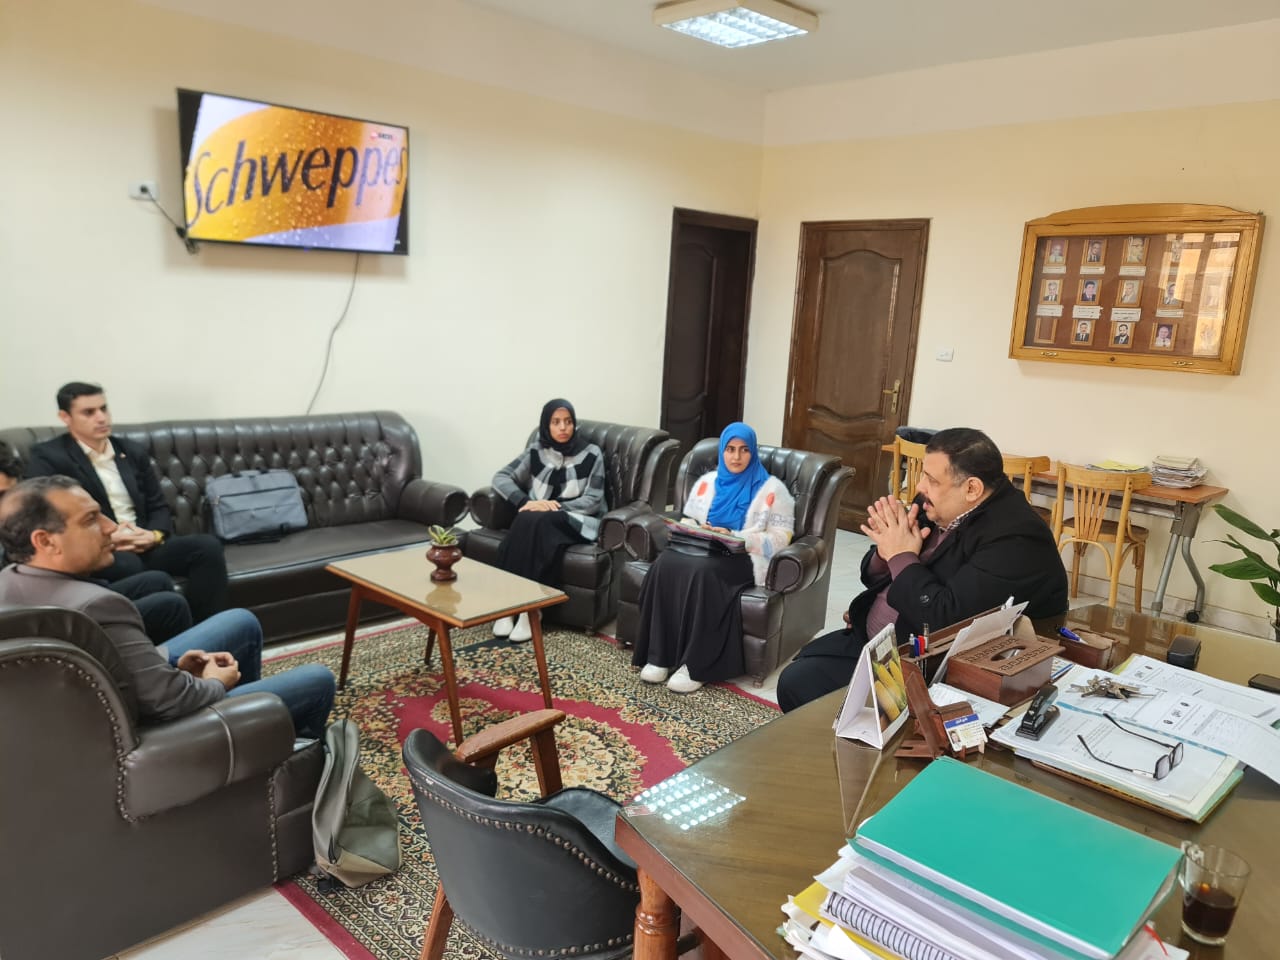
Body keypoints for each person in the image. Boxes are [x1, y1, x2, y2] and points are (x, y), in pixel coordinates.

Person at [0, 476, 334, 737]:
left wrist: (171, 664)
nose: (110, 527)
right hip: (152, 734)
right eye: (90, 520)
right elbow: (169, 701)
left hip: (100, 711)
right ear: (45, 541)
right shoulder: (96, 605)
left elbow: (119, 666)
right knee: (317, 679)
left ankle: (254, 731)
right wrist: (216, 683)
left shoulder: (9, 581)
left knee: (240, 621)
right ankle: (286, 756)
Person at [776, 428, 1067, 712]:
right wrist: (885, 552)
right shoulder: (935, 505)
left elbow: (944, 619)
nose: (919, 487)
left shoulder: (1015, 537)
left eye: (931, 479)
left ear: (972, 489)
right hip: (879, 640)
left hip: (929, 666)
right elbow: (874, 573)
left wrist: (900, 554)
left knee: (800, 685)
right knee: (800, 671)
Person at [24, 382, 229, 622]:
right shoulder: (49, 456)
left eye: (103, 408)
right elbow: (49, 515)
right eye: (89, 412)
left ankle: (206, 626)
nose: (101, 418)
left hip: (143, 542)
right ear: (65, 417)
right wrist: (108, 538)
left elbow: (157, 505)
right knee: (128, 565)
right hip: (102, 549)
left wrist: (153, 535)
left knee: (207, 547)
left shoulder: (131, 451)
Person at [632, 423, 794, 694]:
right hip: (701, 548)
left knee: (703, 571)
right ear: (722, 451)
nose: (736, 456)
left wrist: (736, 536)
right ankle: (660, 655)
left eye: (744, 450)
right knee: (664, 564)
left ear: (752, 452)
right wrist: (698, 528)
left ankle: (695, 666)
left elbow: (781, 538)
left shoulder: (773, 490)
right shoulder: (707, 482)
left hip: (742, 557)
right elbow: (688, 518)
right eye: (730, 449)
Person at [1, 440, 192, 642]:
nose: (7, 505)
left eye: (10, 494)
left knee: (157, 581)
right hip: (46, 625)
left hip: (57, 594)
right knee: (170, 605)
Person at [490, 398, 605, 642]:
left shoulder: (591, 453)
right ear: (546, 425)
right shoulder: (537, 451)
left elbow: (594, 500)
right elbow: (501, 477)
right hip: (537, 519)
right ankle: (510, 606)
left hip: (578, 519)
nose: (563, 427)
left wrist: (555, 506)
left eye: (568, 421)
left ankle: (529, 611)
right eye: (556, 422)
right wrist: (524, 501)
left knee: (537, 519)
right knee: (529, 517)